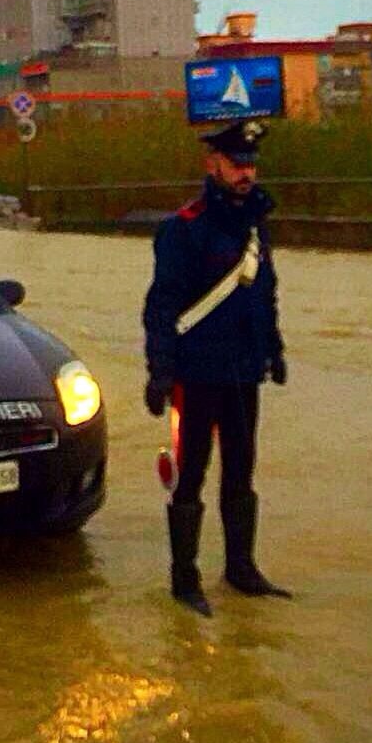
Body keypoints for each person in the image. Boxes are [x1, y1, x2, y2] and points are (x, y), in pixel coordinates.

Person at [142, 118, 291, 616]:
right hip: (195, 374)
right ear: (214, 165)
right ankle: (185, 579)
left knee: (241, 472)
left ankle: (241, 569)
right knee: (191, 477)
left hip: (243, 372)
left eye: (250, 164)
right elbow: (161, 306)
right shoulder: (183, 229)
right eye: (236, 164)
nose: (246, 173)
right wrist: (160, 371)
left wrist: (275, 350)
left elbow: (263, 292)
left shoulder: (255, 223)